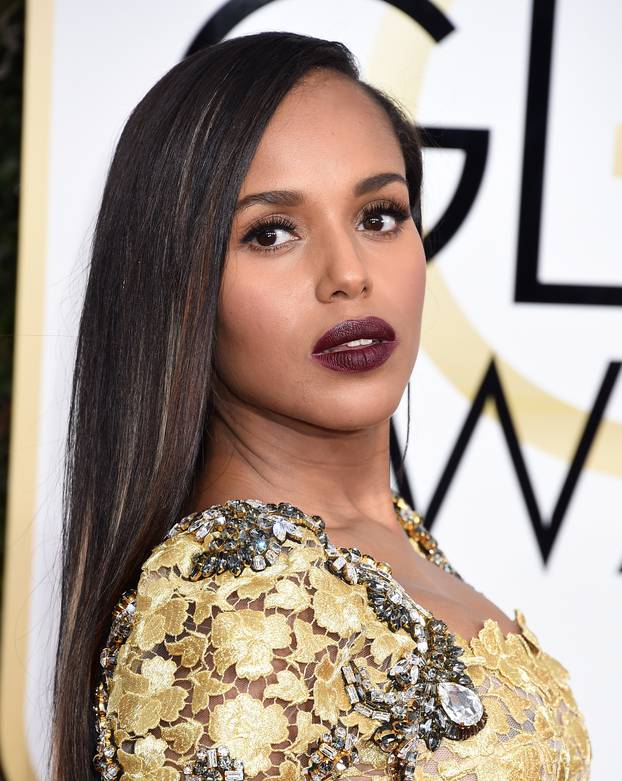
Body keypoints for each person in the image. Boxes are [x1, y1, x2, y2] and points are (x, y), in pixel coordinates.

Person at [51, 31, 591, 781]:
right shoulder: (235, 607)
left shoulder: (382, 538)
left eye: (379, 215)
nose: (348, 273)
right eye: (270, 232)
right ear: (177, 289)